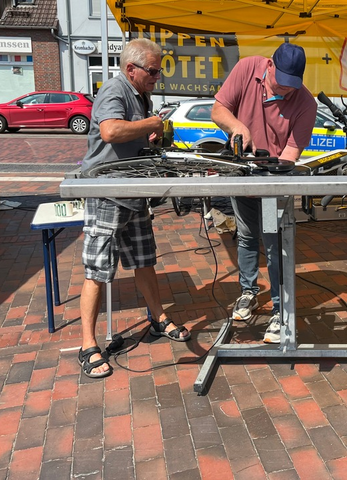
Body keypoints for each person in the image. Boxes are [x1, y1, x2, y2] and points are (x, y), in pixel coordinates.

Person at [78, 38, 190, 379]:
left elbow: (130, 136)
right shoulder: (114, 90)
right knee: (98, 272)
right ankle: (87, 346)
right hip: (108, 193)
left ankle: (158, 319)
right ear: (131, 69)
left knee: (144, 261)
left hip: (132, 192)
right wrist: (151, 124)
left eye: (159, 71)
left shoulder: (141, 95)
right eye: (153, 71)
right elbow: (110, 131)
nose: (157, 77)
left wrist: (149, 137)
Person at [211, 42, 317, 343]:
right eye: (280, 83)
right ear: (269, 65)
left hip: (271, 185)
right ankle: (248, 293)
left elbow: (292, 151)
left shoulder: (306, 104)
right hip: (241, 177)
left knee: (273, 242)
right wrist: (238, 128)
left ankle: (280, 310)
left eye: (292, 87)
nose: (285, 92)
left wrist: (271, 174)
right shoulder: (247, 68)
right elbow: (218, 110)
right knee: (245, 237)